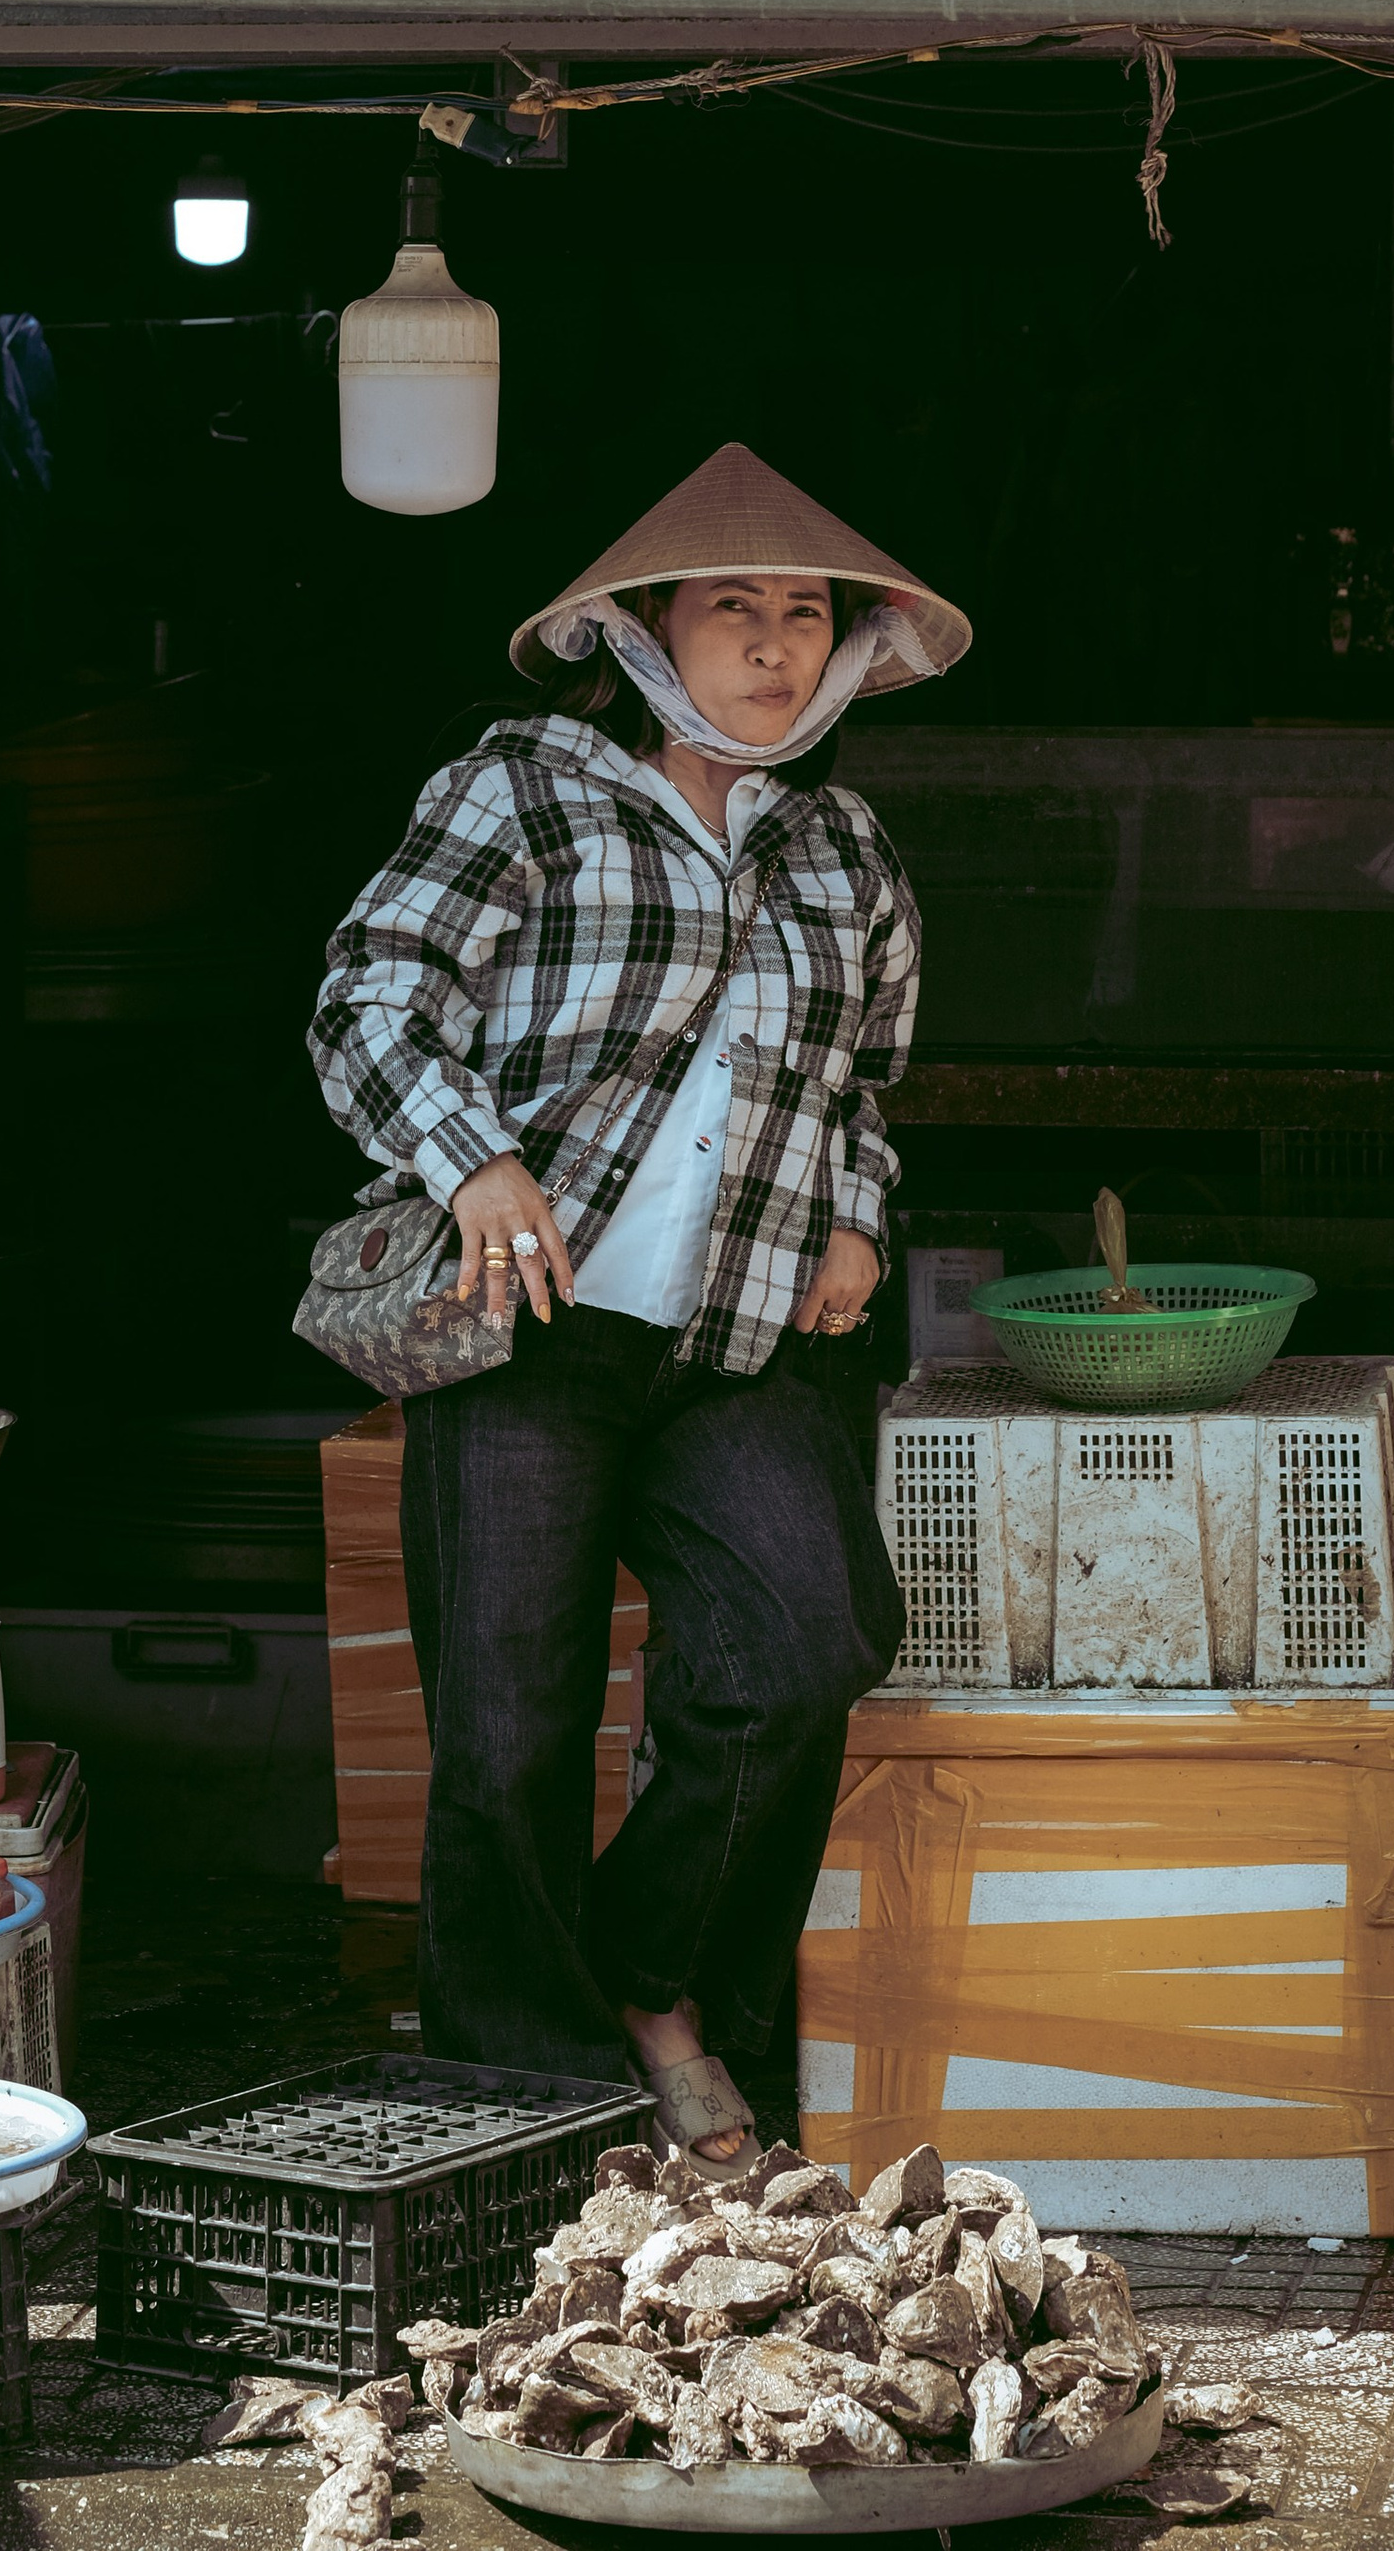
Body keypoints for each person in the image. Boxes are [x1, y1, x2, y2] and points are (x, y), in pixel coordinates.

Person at [309, 443, 969, 2169]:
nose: (771, 643)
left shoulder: (847, 852)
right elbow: (370, 997)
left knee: (806, 1650)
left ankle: (663, 1989)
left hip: (746, 1336)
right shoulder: (522, 794)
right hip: (530, 1324)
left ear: (846, 651)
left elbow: (862, 1088)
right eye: (731, 609)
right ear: (648, 635)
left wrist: (858, 1221)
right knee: (510, 1728)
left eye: (804, 614)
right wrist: (470, 1162)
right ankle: (523, 2113)